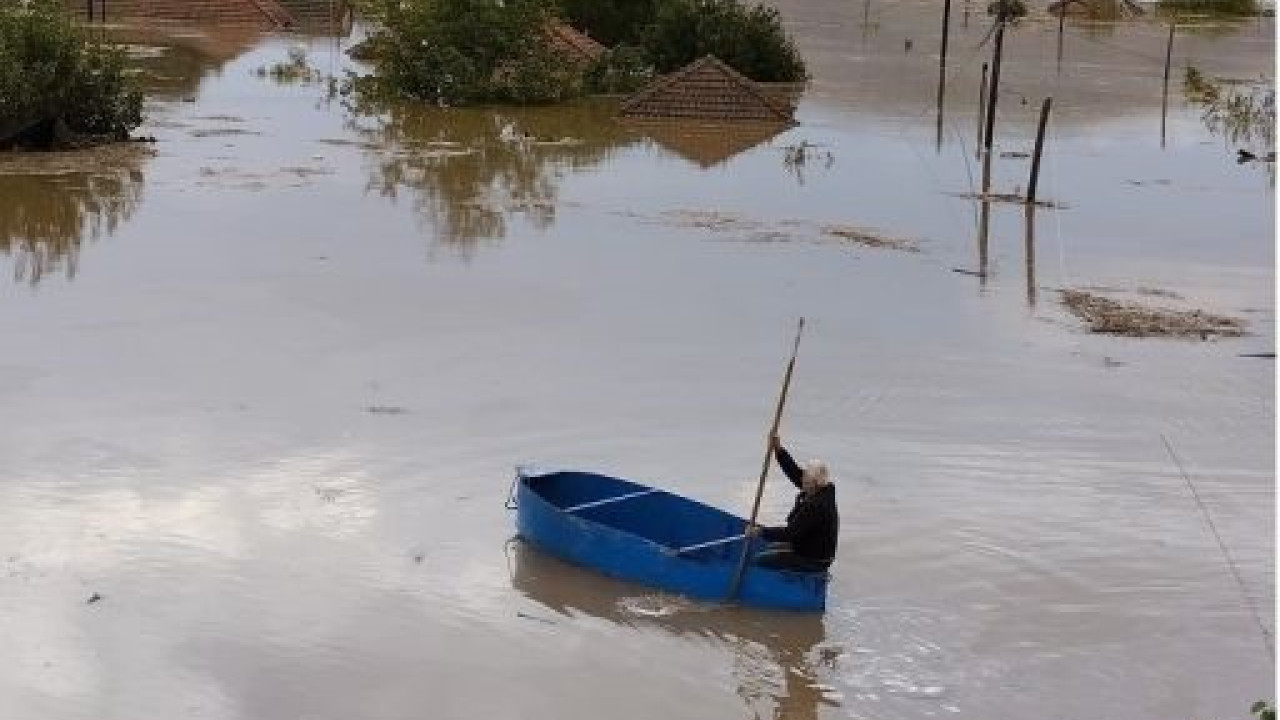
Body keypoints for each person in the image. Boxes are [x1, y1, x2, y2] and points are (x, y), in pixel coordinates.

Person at [748, 434, 838, 573]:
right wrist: (779, 450)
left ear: (814, 483)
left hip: (813, 559)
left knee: (760, 560)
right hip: (810, 548)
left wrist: (760, 531)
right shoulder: (822, 489)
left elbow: (789, 534)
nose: (802, 480)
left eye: (806, 478)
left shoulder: (816, 506)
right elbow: (795, 473)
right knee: (770, 547)